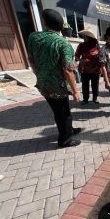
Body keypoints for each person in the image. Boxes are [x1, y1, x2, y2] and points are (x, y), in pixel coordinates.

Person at [28, 9, 81, 148]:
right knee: (63, 113)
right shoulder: (63, 43)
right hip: (58, 87)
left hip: (43, 84)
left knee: (60, 111)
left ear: (44, 22)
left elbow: (31, 61)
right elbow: (68, 70)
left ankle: (68, 129)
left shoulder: (33, 37)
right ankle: (65, 140)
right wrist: (76, 91)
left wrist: (40, 74)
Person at [75, 29, 101, 104]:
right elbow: (76, 56)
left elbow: (100, 56)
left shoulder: (96, 45)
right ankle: (85, 99)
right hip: (84, 70)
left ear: (90, 37)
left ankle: (95, 98)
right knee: (85, 85)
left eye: (85, 36)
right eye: (83, 36)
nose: (84, 37)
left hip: (95, 70)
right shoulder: (81, 45)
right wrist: (80, 60)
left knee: (95, 85)